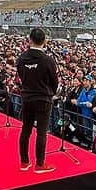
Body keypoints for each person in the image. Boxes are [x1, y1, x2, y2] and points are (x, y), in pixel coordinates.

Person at [15, 28, 60, 173]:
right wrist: (50, 93)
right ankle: (40, 164)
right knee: (41, 132)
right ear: (45, 41)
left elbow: (21, 76)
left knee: (26, 130)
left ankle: (24, 162)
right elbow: (54, 81)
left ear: (30, 40)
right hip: (43, 98)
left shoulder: (22, 58)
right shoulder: (48, 60)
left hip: (27, 97)